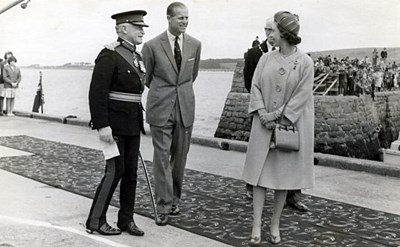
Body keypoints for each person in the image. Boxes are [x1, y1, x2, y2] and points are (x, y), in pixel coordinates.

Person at [242, 11, 314, 244]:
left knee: (282, 179)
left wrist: (275, 116)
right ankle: (255, 225)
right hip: (262, 126)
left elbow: (301, 97)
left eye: (272, 30)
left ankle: (274, 225)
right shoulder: (265, 59)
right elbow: (255, 87)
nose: (268, 34)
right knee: (260, 178)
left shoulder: (305, 62)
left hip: (287, 127)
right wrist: (262, 113)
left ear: (283, 33)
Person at [86, 10, 148, 236]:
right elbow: (97, 93)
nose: (142, 30)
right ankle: (95, 220)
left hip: (132, 122)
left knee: (131, 173)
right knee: (115, 171)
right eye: (137, 27)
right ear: (123, 28)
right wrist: (102, 125)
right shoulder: (109, 55)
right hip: (113, 126)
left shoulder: (136, 57)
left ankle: (126, 220)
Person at [141, 2, 201, 226]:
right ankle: (164, 205)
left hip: (185, 107)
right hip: (160, 108)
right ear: (169, 18)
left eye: (187, 18)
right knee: (162, 157)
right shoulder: (151, 46)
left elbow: (191, 76)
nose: (185, 22)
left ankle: (175, 199)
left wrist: (179, 94)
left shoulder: (195, 45)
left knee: (180, 157)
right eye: (180, 18)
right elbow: (147, 78)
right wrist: (164, 93)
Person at [0, 51, 14, 116]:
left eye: (10, 56)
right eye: (8, 55)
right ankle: (1, 111)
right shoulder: (2, 63)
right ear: (6, 56)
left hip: (9, 84)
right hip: (2, 82)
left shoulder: (12, 65)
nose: (9, 57)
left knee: (9, 97)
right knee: (1, 97)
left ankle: (8, 111)